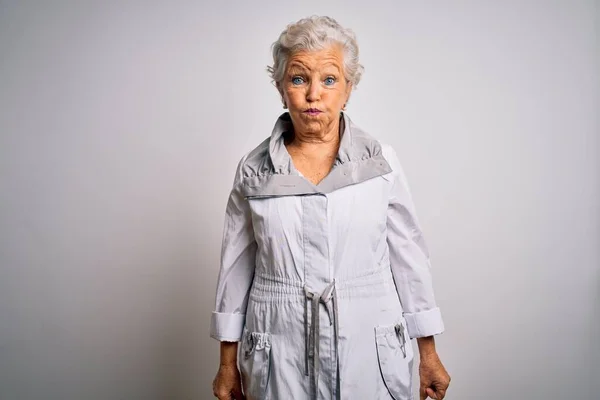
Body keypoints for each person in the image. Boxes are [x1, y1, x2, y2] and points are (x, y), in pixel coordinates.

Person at [210, 15, 450, 400]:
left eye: (329, 79)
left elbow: (409, 259)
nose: (313, 95)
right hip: (279, 347)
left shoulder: (379, 162)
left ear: (349, 88)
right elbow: (235, 268)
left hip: (369, 345)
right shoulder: (254, 170)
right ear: (281, 87)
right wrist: (226, 364)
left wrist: (428, 353)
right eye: (299, 78)